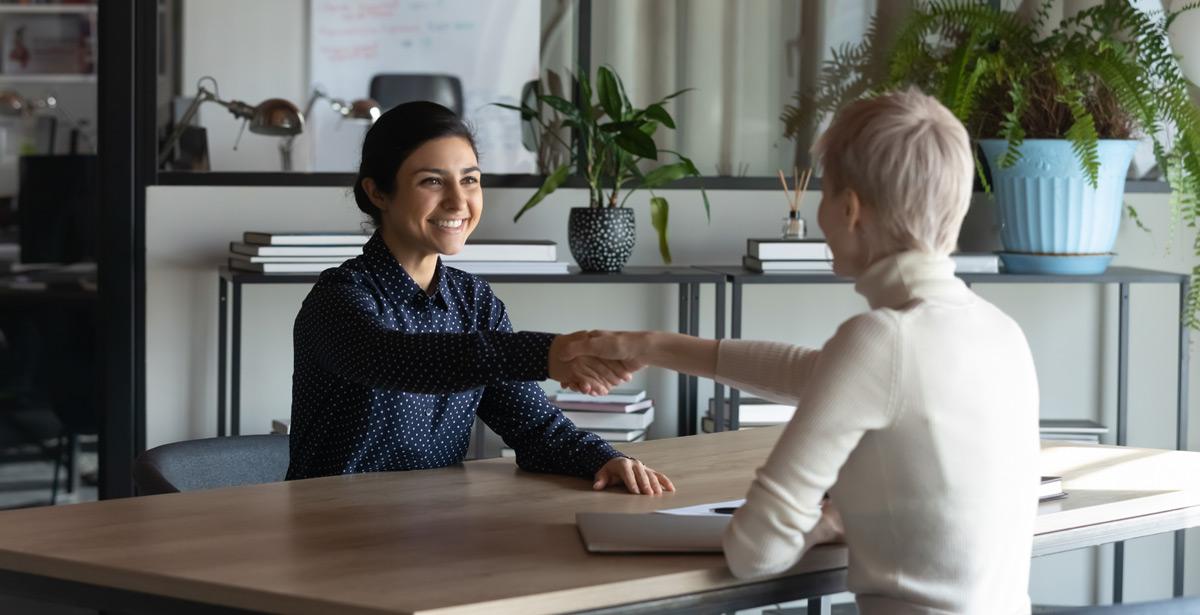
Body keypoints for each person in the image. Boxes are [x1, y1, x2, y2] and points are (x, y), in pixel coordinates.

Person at [561, 89, 1039, 613]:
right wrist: (651, 345)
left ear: (850, 208)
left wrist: (830, 520)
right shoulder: (999, 331)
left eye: (825, 192)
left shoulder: (882, 339)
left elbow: (754, 551)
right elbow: (814, 373)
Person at [287, 101, 673, 496]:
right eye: (432, 182)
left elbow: (533, 426)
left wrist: (606, 459)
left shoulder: (474, 300)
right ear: (378, 192)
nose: (458, 201)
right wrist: (546, 354)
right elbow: (396, 358)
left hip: (436, 528)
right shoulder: (338, 297)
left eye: (469, 180)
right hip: (332, 530)